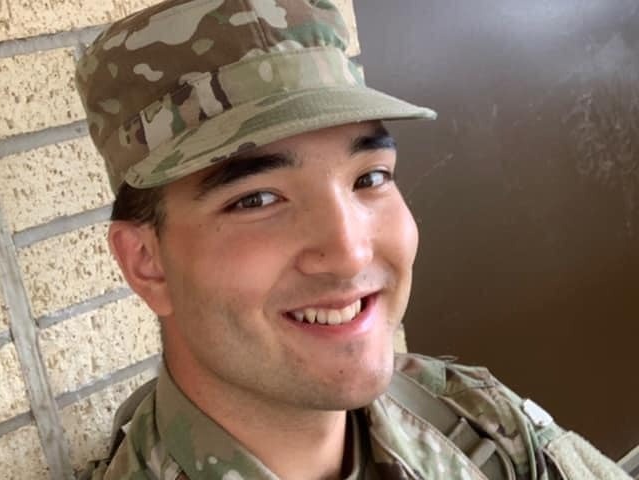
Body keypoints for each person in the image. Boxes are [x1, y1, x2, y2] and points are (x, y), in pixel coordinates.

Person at [74, 1, 630, 479]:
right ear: (147, 263)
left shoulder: (472, 421)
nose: (351, 253)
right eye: (257, 199)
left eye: (370, 178)